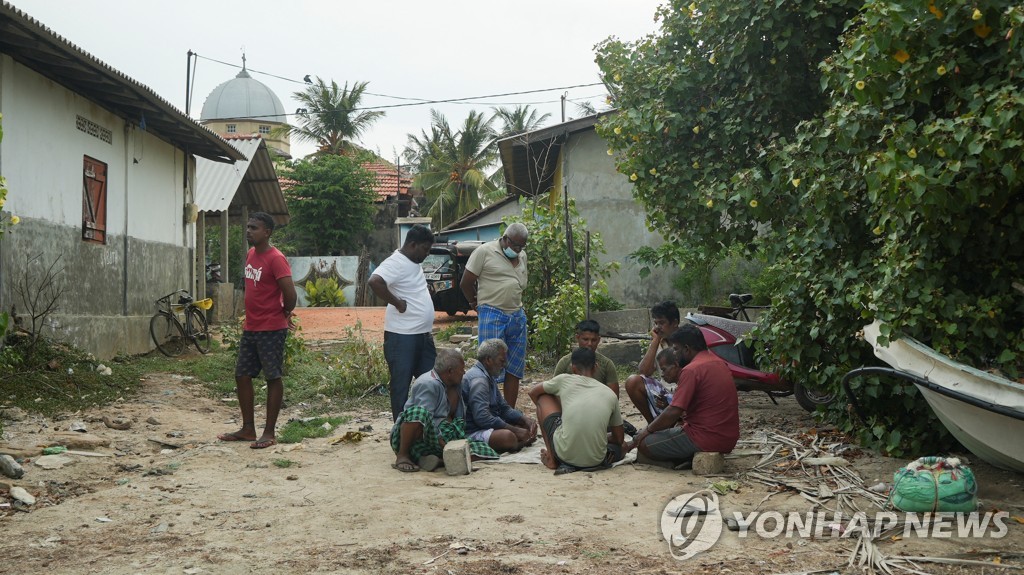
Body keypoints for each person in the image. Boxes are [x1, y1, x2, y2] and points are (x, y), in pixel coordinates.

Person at [218, 212, 297, 450]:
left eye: (254, 228)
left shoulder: (276, 258)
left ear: (267, 232)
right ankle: (248, 429)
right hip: (251, 326)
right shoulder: (251, 254)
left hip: (271, 328)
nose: (249, 230)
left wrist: (284, 312)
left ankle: (269, 432)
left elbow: (290, 294)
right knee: (242, 375)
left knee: (273, 376)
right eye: (248, 226)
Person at [625, 325, 740, 467]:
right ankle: (684, 458)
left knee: (644, 445)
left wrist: (646, 432)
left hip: (705, 438)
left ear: (686, 349)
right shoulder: (719, 363)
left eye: (676, 349)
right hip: (729, 439)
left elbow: (674, 411)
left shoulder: (692, 370)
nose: (675, 353)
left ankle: (677, 463)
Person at [368, 224, 437, 421]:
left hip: (422, 335)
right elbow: (374, 281)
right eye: (425, 249)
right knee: (401, 386)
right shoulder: (396, 262)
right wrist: (397, 302)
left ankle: (426, 426)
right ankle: (400, 433)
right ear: (413, 245)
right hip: (402, 337)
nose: (427, 254)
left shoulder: (413, 262)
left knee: (432, 382)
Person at [391, 348, 499, 472]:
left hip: (437, 439)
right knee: (419, 413)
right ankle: (403, 456)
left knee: (484, 450)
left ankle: (438, 461)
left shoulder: (455, 384)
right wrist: (444, 445)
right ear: (450, 371)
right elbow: (426, 419)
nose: (464, 373)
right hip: (418, 439)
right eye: (461, 370)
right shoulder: (428, 384)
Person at [460, 222, 528, 408]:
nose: (517, 250)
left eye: (521, 246)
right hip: (492, 313)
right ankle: (488, 411)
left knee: (514, 367)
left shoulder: (522, 256)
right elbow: (466, 282)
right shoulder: (484, 251)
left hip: (516, 315)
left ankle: (509, 411)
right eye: (514, 245)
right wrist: (474, 303)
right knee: (490, 366)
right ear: (505, 238)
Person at [528, 348, 626, 475]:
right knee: (621, 447)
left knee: (543, 398)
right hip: (596, 460)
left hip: (564, 455)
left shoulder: (564, 379)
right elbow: (619, 438)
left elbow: (532, 393)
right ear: (596, 367)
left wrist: (560, 416)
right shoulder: (610, 394)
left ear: (573, 368)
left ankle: (552, 458)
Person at [462, 339, 538, 453]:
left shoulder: (488, 376)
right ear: (488, 360)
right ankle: (517, 444)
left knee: (525, 427)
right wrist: (514, 430)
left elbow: (504, 408)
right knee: (508, 437)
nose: (504, 365)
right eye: (501, 361)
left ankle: (518, 441)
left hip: (487, 426)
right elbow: (482, 418)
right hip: (473, 431)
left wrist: (524, 419)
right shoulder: (480, 380)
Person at [624, 301, 681, 424]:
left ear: (675, 323)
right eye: (655, 323)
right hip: (665, 393)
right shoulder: (659, 343)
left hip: (684, 391)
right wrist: (655, 341)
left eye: (662, 323)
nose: (657, 327)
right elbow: (644, 371)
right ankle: (654, 425)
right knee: (633, 381)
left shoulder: (686, 341)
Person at [553, 319, 619, 396]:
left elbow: (614, 397)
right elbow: (554, 391)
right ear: (577, 338)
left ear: (598, 340)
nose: (589, 344)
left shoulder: (607, 364)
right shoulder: (564, 362)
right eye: (585, 339)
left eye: (593, 340)